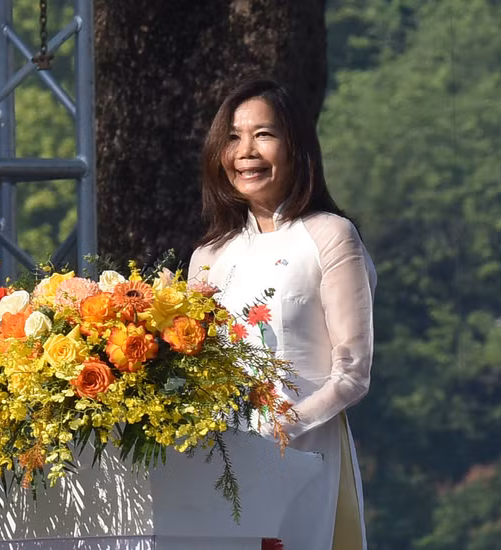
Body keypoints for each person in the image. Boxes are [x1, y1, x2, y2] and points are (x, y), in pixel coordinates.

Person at [188, 78, 376, 550]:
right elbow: (193, 368)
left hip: (308, 456)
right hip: (225, 463)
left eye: (263, 134)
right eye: (232, 137)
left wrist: (283, 425)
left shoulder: (331, 236)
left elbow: (352, 373)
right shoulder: (209, 255)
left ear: (295, 147)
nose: (245, 151)